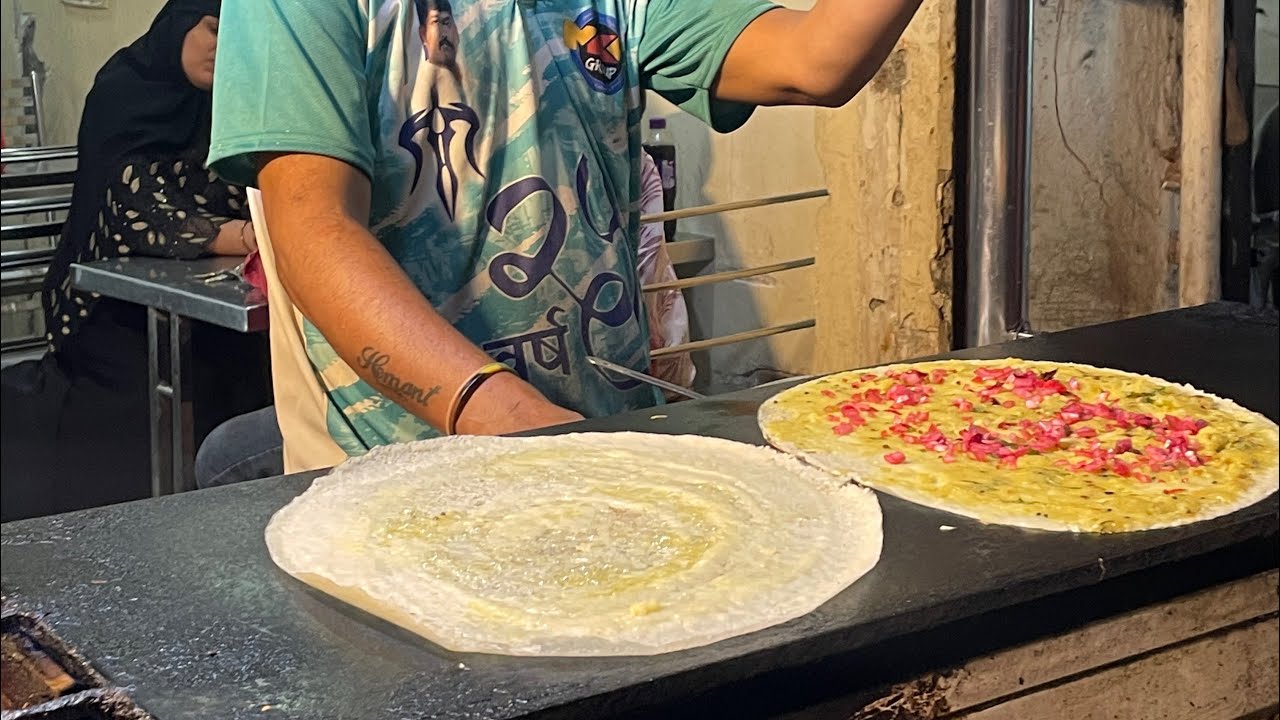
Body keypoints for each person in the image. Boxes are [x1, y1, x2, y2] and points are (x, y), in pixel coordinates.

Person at [208, 0, 922, 473]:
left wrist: (574, 449)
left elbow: (814, 60)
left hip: (589, 450)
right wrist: (526, 426)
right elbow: (316, 232)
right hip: (398, 478)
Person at [0, 0, 270, 520]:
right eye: (213, 29)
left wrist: (233, 224)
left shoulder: (234, 103)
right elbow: (130, 199)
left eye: (237, 39)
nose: (221, 49)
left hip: (209, 301)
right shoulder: (123, 89)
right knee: (129, 404)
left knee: (240, 371)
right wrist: (239, 232)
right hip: (111, 299)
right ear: (179, 25)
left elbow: (244, 185)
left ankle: (210, 522)